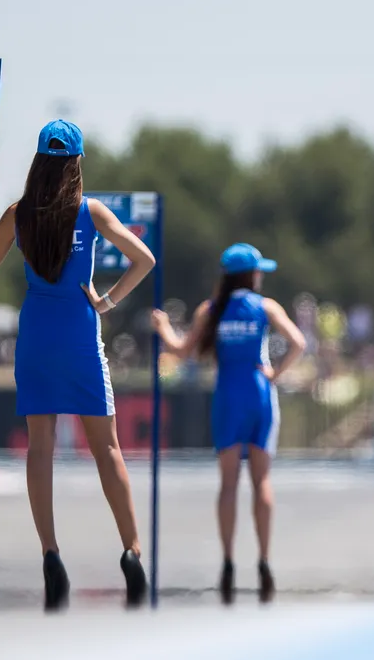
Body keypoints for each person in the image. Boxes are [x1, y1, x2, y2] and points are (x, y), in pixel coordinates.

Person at [0, 119, 157, 611]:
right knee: (107, 448)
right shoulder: (90, 211)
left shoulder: (18, 212)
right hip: (79, 339)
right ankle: (132, 552)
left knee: (41, 447)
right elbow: (145, 260)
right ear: (76, 163)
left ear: (38, 161)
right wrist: (107, 301)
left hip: (35, 340)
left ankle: (51, 555)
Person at [151, 244, 306, 604]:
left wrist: (162, 328)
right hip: (259, 392)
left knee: (228, 484)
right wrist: (275, 374)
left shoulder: (211, 309)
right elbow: (298, 342)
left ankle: (227, 561)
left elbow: (181, 351)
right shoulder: (265, 307)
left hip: (227, 395)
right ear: (250, 274)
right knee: (261, 481)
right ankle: (265, 561)